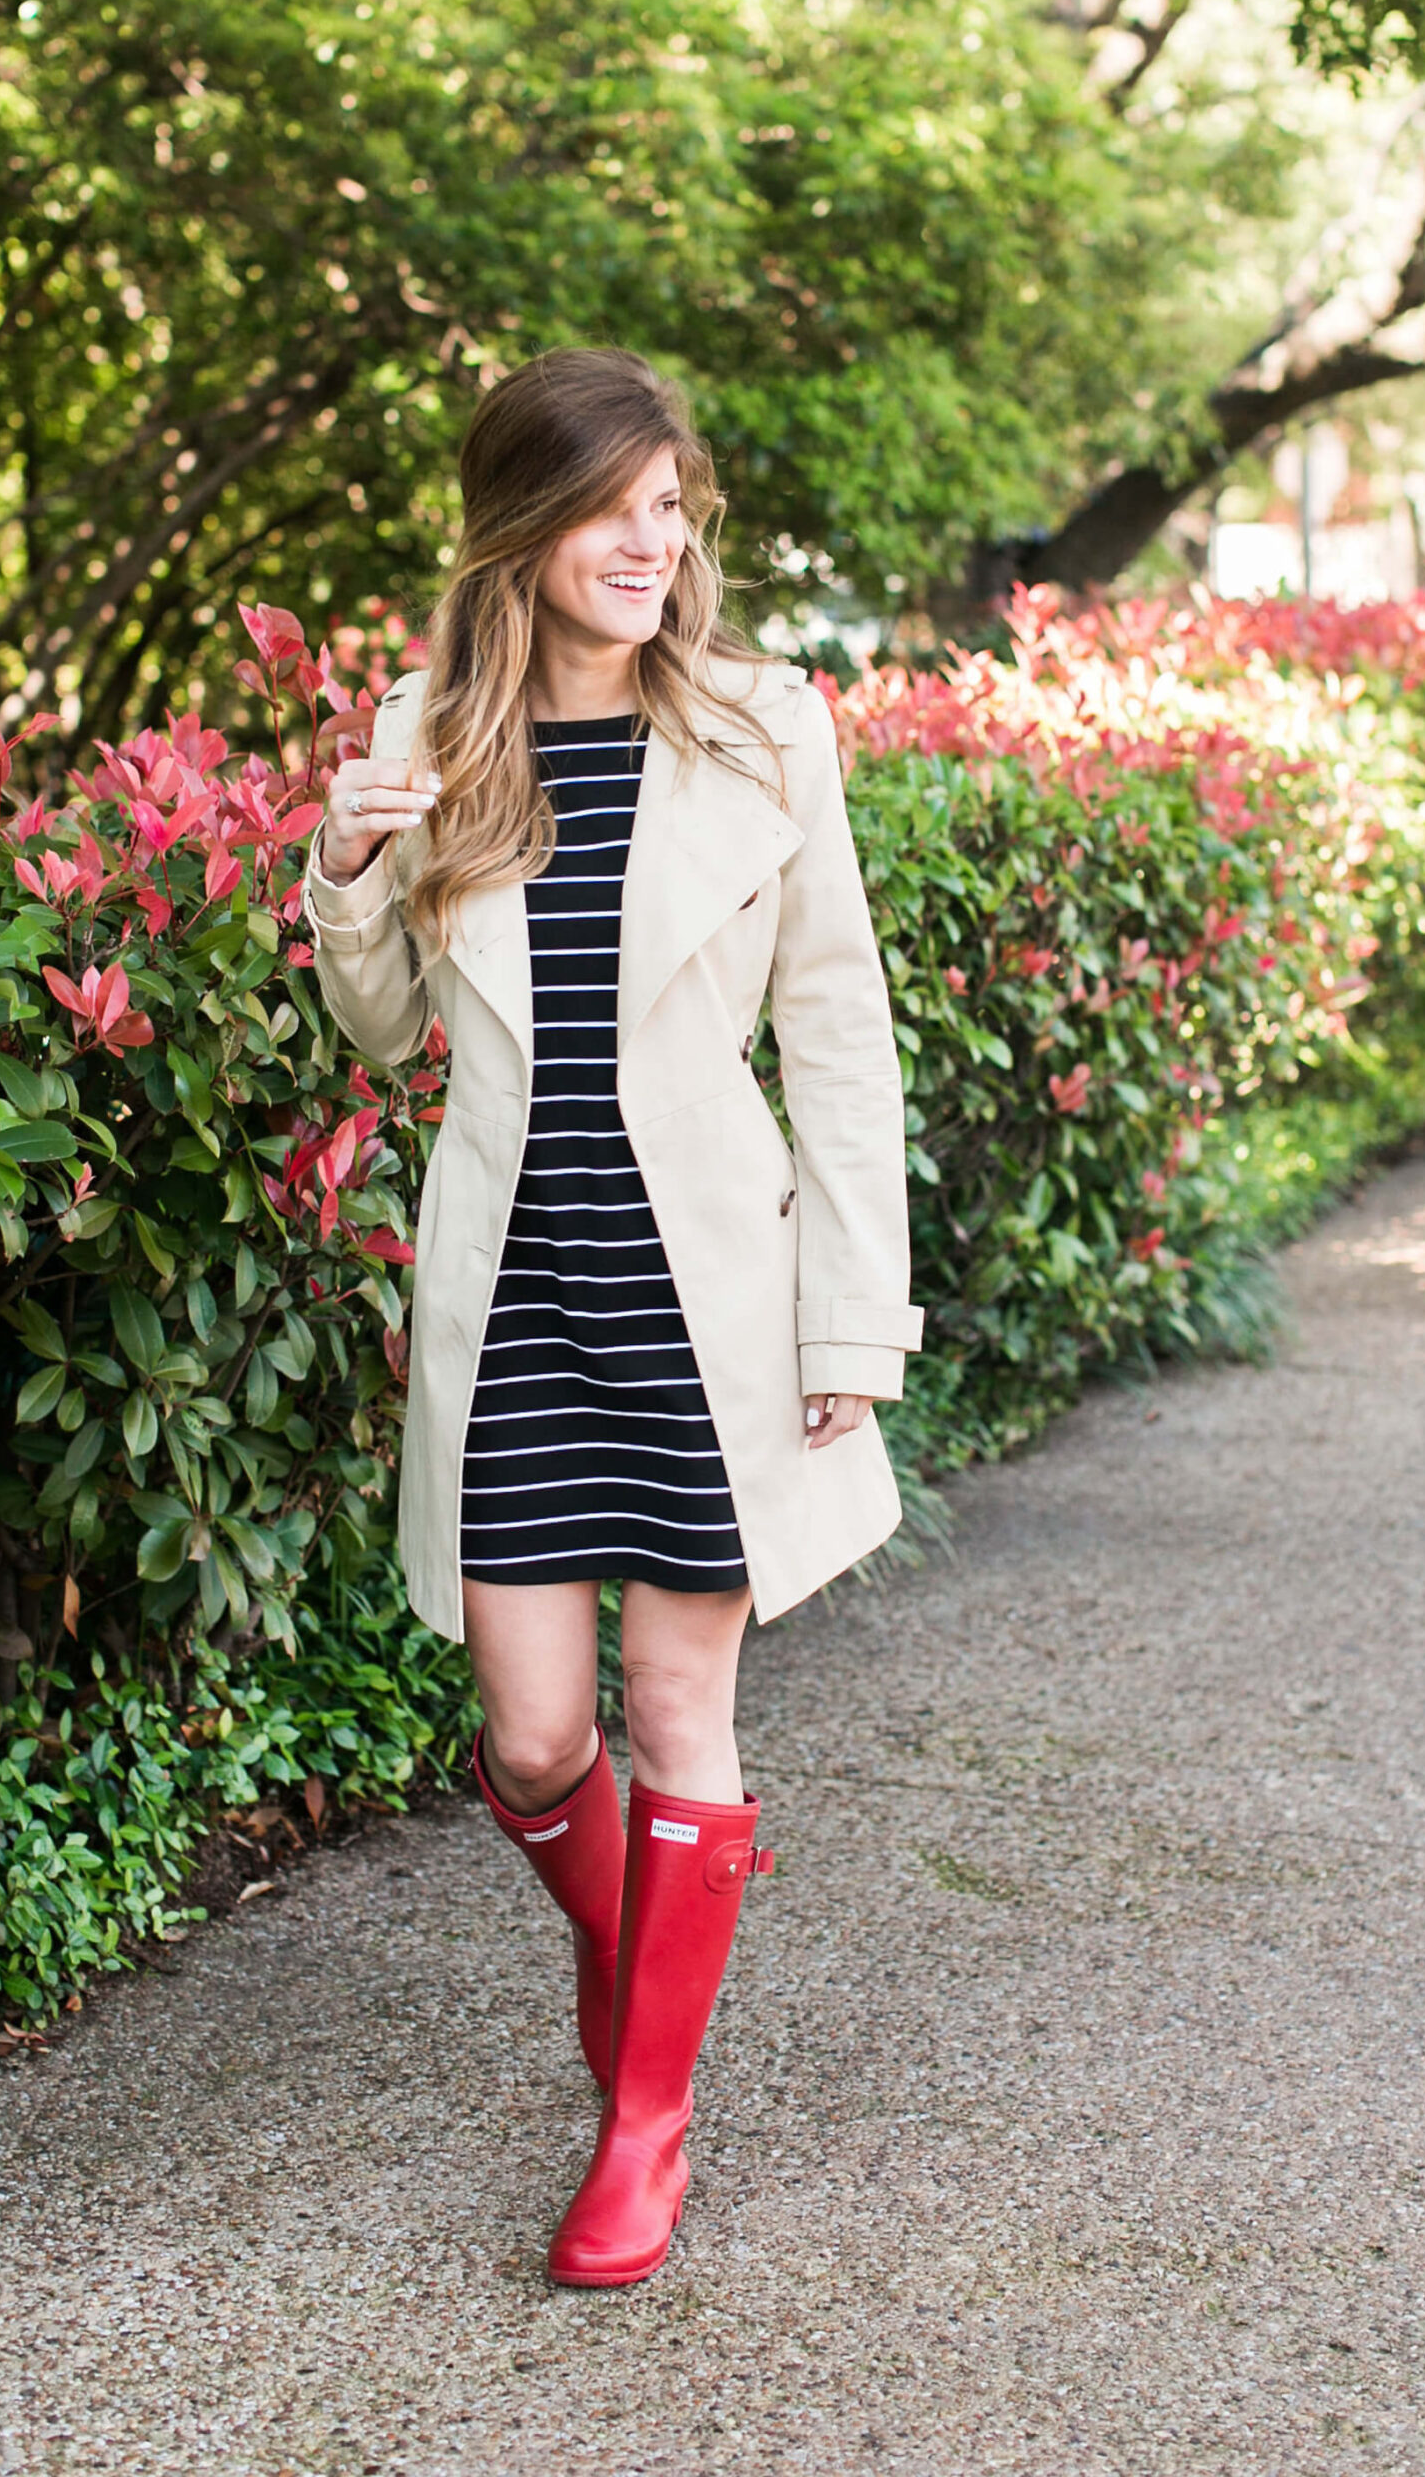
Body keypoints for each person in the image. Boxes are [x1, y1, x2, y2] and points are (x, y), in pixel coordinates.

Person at [302, 347, 923, 2287]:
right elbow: (389, 1028)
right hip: (517, 1284)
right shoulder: (432, 726)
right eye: (612, 505)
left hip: (708, 1286)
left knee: (679, 1711)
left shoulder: (760, 727)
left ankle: (640, 2123)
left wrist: (853, 1318)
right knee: (535, 1737)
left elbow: (835, 1028)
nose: (651, 541)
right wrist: (340, 866)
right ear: (520, 519)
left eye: (674, 506)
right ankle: (637, 1955)